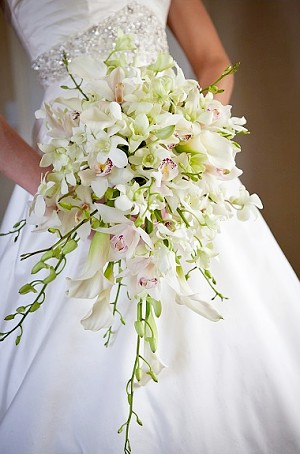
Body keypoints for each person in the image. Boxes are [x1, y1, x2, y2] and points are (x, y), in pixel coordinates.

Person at [0, 1, 300, 453]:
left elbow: (213, 60)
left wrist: (185, 137)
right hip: (64, 174)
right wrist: (55, 187)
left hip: (172, 159)